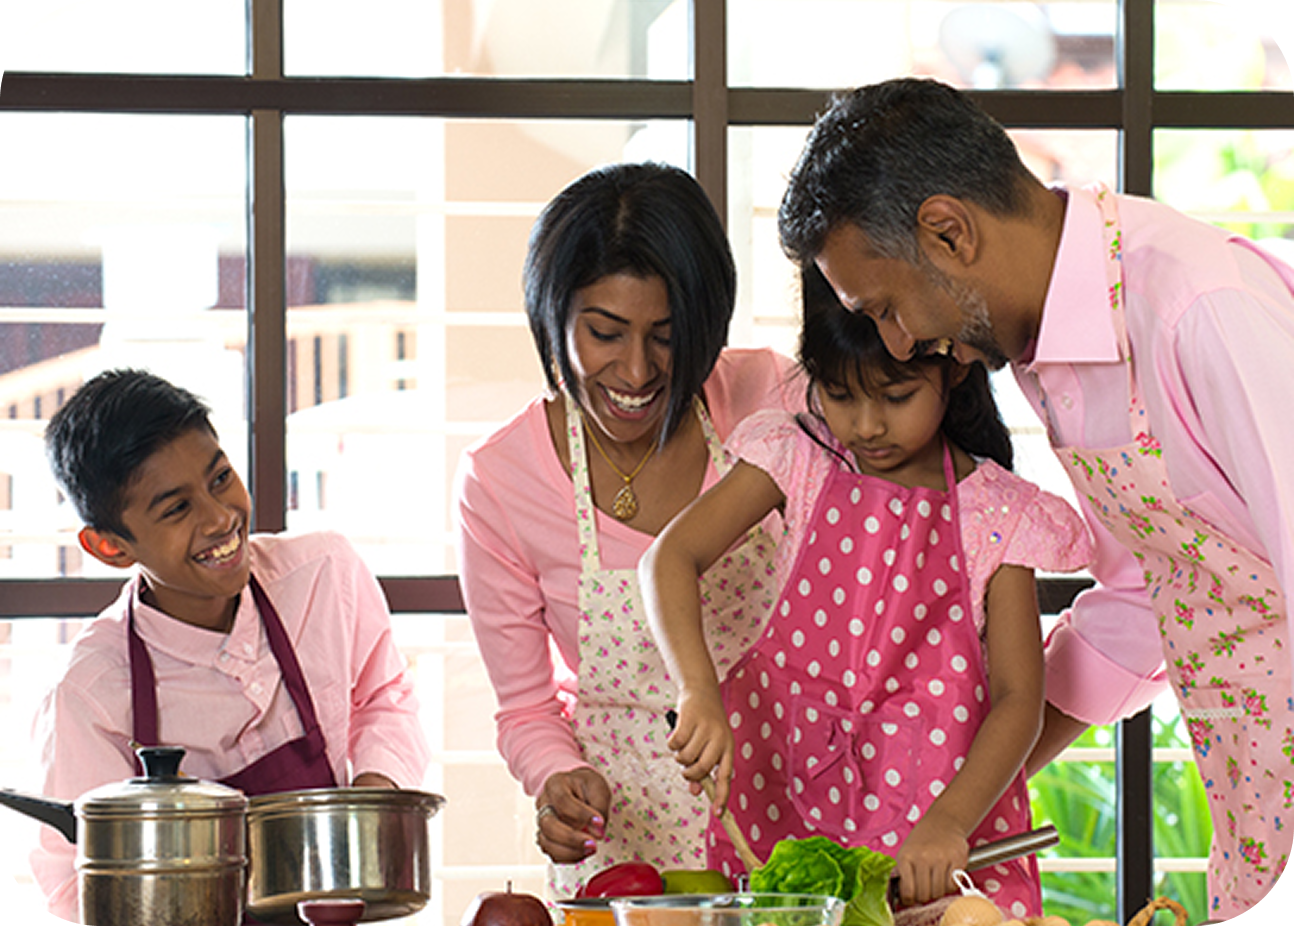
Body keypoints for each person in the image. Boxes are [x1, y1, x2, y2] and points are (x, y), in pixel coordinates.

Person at [776, 76, 1294, 918]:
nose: (900, 342)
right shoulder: (1041, 351)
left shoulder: (1199, 306)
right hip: (1252, 789)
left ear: (948, 233)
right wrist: (960, 794)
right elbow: (1143, 597)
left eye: (887, 308)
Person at [640, 264, 1092, 916]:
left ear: (954, 365)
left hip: (942, 849)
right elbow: (669, 558)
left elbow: (1021, 700)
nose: (867, 425)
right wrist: (697, 689)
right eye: (840, 395)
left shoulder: (1000, 515)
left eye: (896, 396)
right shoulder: (795, 458)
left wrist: (951, 822)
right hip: (786, 821)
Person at [454, 162, 799, 895]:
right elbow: (526, 709)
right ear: (553, 316)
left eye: (668, 336)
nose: (637, 371)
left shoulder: (771, 397)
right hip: (627, 856)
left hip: (793, 812)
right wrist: (559, 780)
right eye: (605, 333)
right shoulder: (501, 479)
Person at [33, 368, 430, 923]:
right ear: (109, 546)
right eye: (176, 509)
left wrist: (362, 812)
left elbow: (384, 697)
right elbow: (73, 879)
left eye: (220, 479)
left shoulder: (323, 574)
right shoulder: (90, 694)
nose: (220, 518)